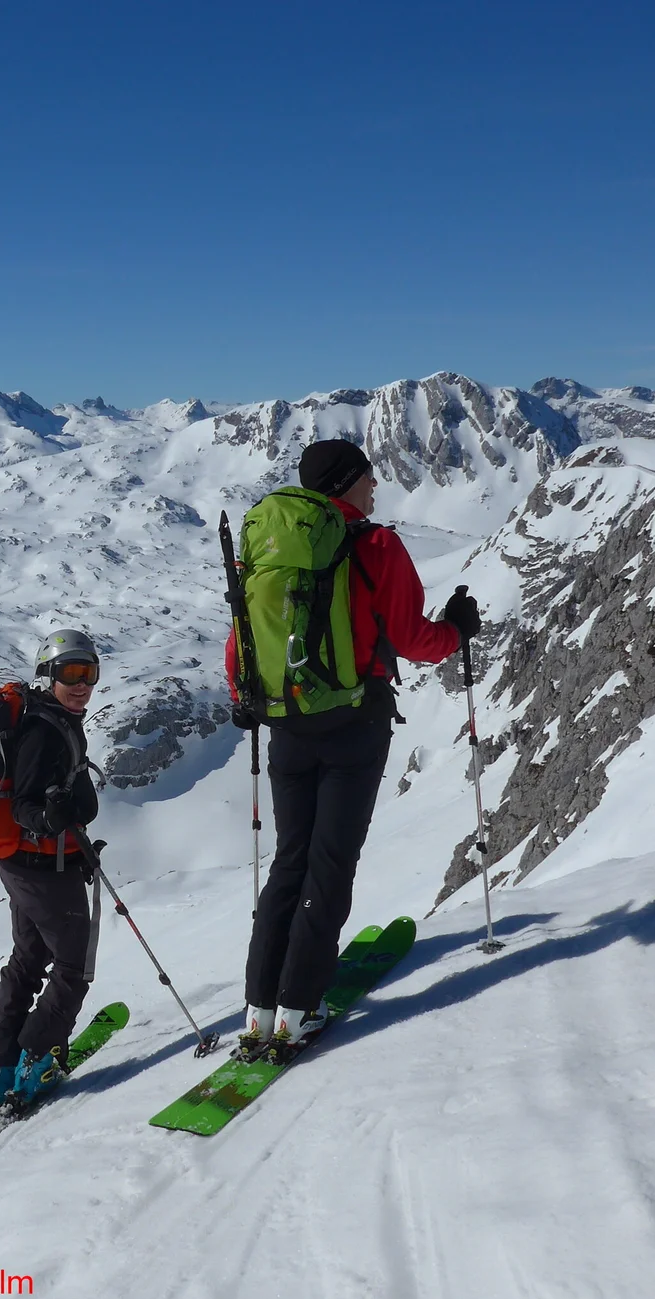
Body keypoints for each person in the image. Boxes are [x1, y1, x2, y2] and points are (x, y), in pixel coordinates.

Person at [232, 439, 481, 1054]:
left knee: (290, 860)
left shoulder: (267, 542)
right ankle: (300, 1007)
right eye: (369, 480)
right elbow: (414, 639)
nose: (376, 490)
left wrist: (251, 695)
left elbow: (243, 633)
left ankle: (259, 1009)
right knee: (330, 864)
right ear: (344, 484)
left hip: (286, 724)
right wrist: (458, 629)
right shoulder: (374, 545)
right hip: (352, 725)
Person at [0, 628, 104, 1110]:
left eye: (89, 673)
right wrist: (49, 818)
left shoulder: (55, 719)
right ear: (48, 675)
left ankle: (2, 1063)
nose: (82, 684)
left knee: (28, 961)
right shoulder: (42, 730)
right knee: (73, 966)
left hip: (30, 866)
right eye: (71, 673)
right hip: (43, 870)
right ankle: (36, 1057)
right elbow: (23, 804)